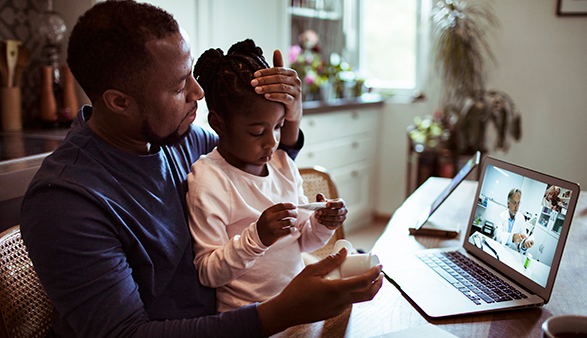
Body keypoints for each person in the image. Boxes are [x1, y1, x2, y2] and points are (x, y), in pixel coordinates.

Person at [19, 1, 382, 337]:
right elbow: (125, 334)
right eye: (180, 85)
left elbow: (256, 165)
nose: (197, 92)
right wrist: (279, 312)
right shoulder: (66, 202)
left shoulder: (183, 140)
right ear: (119, 102)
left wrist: (290, 115)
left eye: (191, 74)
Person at [187, 39, 347, 312]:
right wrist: (257, 238)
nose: (272, 142)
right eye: (257, 132)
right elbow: (208, 272)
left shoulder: (283, 164)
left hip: (298, 306)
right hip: (249, 318)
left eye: (278, 127)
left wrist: (322, 224)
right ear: (218, 124)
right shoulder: (209, 180)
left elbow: (303, 242)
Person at [494, 188, 534, 252]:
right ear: (508, 203)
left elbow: (522, 241)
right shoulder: (501, 216)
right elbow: (498, 235)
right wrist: (512, 237)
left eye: (518, 203)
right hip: (500, 250)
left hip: (512, 253)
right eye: (514, 203)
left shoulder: (521, 219)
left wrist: (524, 245)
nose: (517, 207)